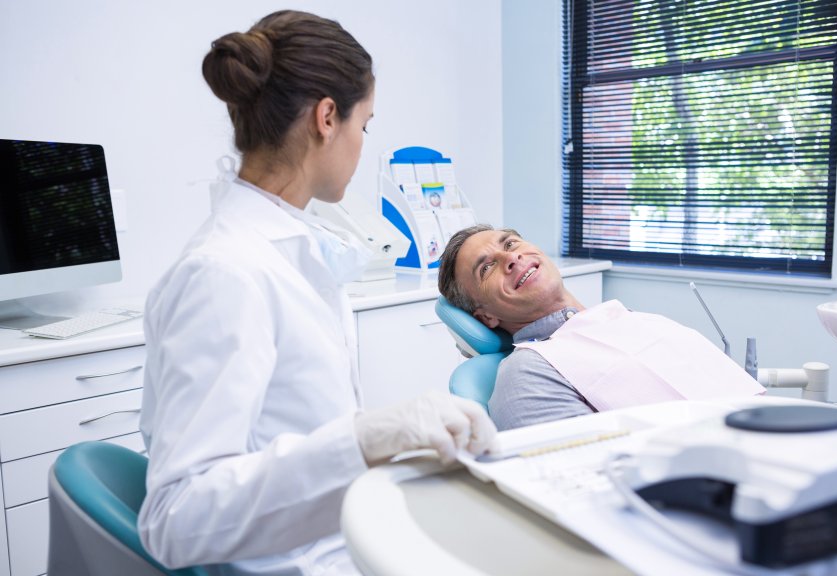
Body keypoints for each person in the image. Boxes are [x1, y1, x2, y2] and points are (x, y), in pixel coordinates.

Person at [137, 11, 496, 576]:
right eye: (365, 125)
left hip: (343, 537)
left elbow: (295, 437)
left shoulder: (288, 248)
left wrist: (382, 448)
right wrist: (366, 439)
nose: (362, 143)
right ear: (327, 117)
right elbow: (176, 518)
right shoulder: (225, 274)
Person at [438, 224, 765, 431]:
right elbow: (582, 481)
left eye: (509, 244)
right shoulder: (527, 372)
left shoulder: (633, 319)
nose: (511, 258)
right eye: (487, 268)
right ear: (485, 317)